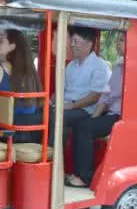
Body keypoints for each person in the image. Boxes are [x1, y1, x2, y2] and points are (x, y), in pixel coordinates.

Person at [47, 27, 111, 184]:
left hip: (85, 110)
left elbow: (95, 97)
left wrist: (71, 106)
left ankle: (55, 170)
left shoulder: (99, 66)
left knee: (58, 118)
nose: (72, 45)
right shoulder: (71, 66)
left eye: (76, 41)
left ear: (89, 44)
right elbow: (61, 90)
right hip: (67, 106)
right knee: (42, 114)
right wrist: (52, 101)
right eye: (72, 41)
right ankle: (42, 161)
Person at [66, 33, 125, 187]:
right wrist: (95, 116)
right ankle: (77, 172)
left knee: (85, 127)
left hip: (123, 116)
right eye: (118, 40)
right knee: (84, 124)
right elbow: (106, 94)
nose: (117, 44)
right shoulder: (118, 67)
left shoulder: (133, 69)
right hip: (112, 113)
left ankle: (85, 177)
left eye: (122, 40)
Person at [0, 28, 43, 142]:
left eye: (1, 41)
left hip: (3, 133)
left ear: (12, 46)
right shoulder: (31, 72)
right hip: (31, 133)